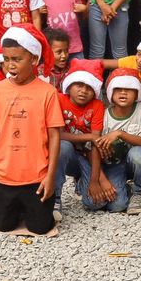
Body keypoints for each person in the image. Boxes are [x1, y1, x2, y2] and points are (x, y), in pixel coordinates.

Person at [0, 27, 64, 236]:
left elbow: (54, 137)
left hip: (36, 177)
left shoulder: (48, 93)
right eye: (6, 59)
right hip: (3, 177)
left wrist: (50, 176)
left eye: (17, 59)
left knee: (41, 227)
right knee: (3, 225)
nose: (10, 65)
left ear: (34, 60)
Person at [93, 72, 141, 213]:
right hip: (113, 164)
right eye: (118, 89)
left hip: (134, 162)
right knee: (117, 206)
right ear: (110, 93)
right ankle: (124, 188)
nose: (123, 93)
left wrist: (120, 134)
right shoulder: (105, 114)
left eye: (129, 89)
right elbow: (96, 146)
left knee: (138, 153)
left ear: (137, 92)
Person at [55, 61, 108, 211]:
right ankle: (55, 197)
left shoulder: (97, 105)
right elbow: (57, 135)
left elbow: (95, 143)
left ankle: (81, 182)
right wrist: (88, 137)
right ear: (69, 85)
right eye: (79, 85)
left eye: (89, 88)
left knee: (95, 203)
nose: (83, 91)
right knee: (63, 147)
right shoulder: (59, 100)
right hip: (63, 154)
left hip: (87, 156)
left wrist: (95, 180)